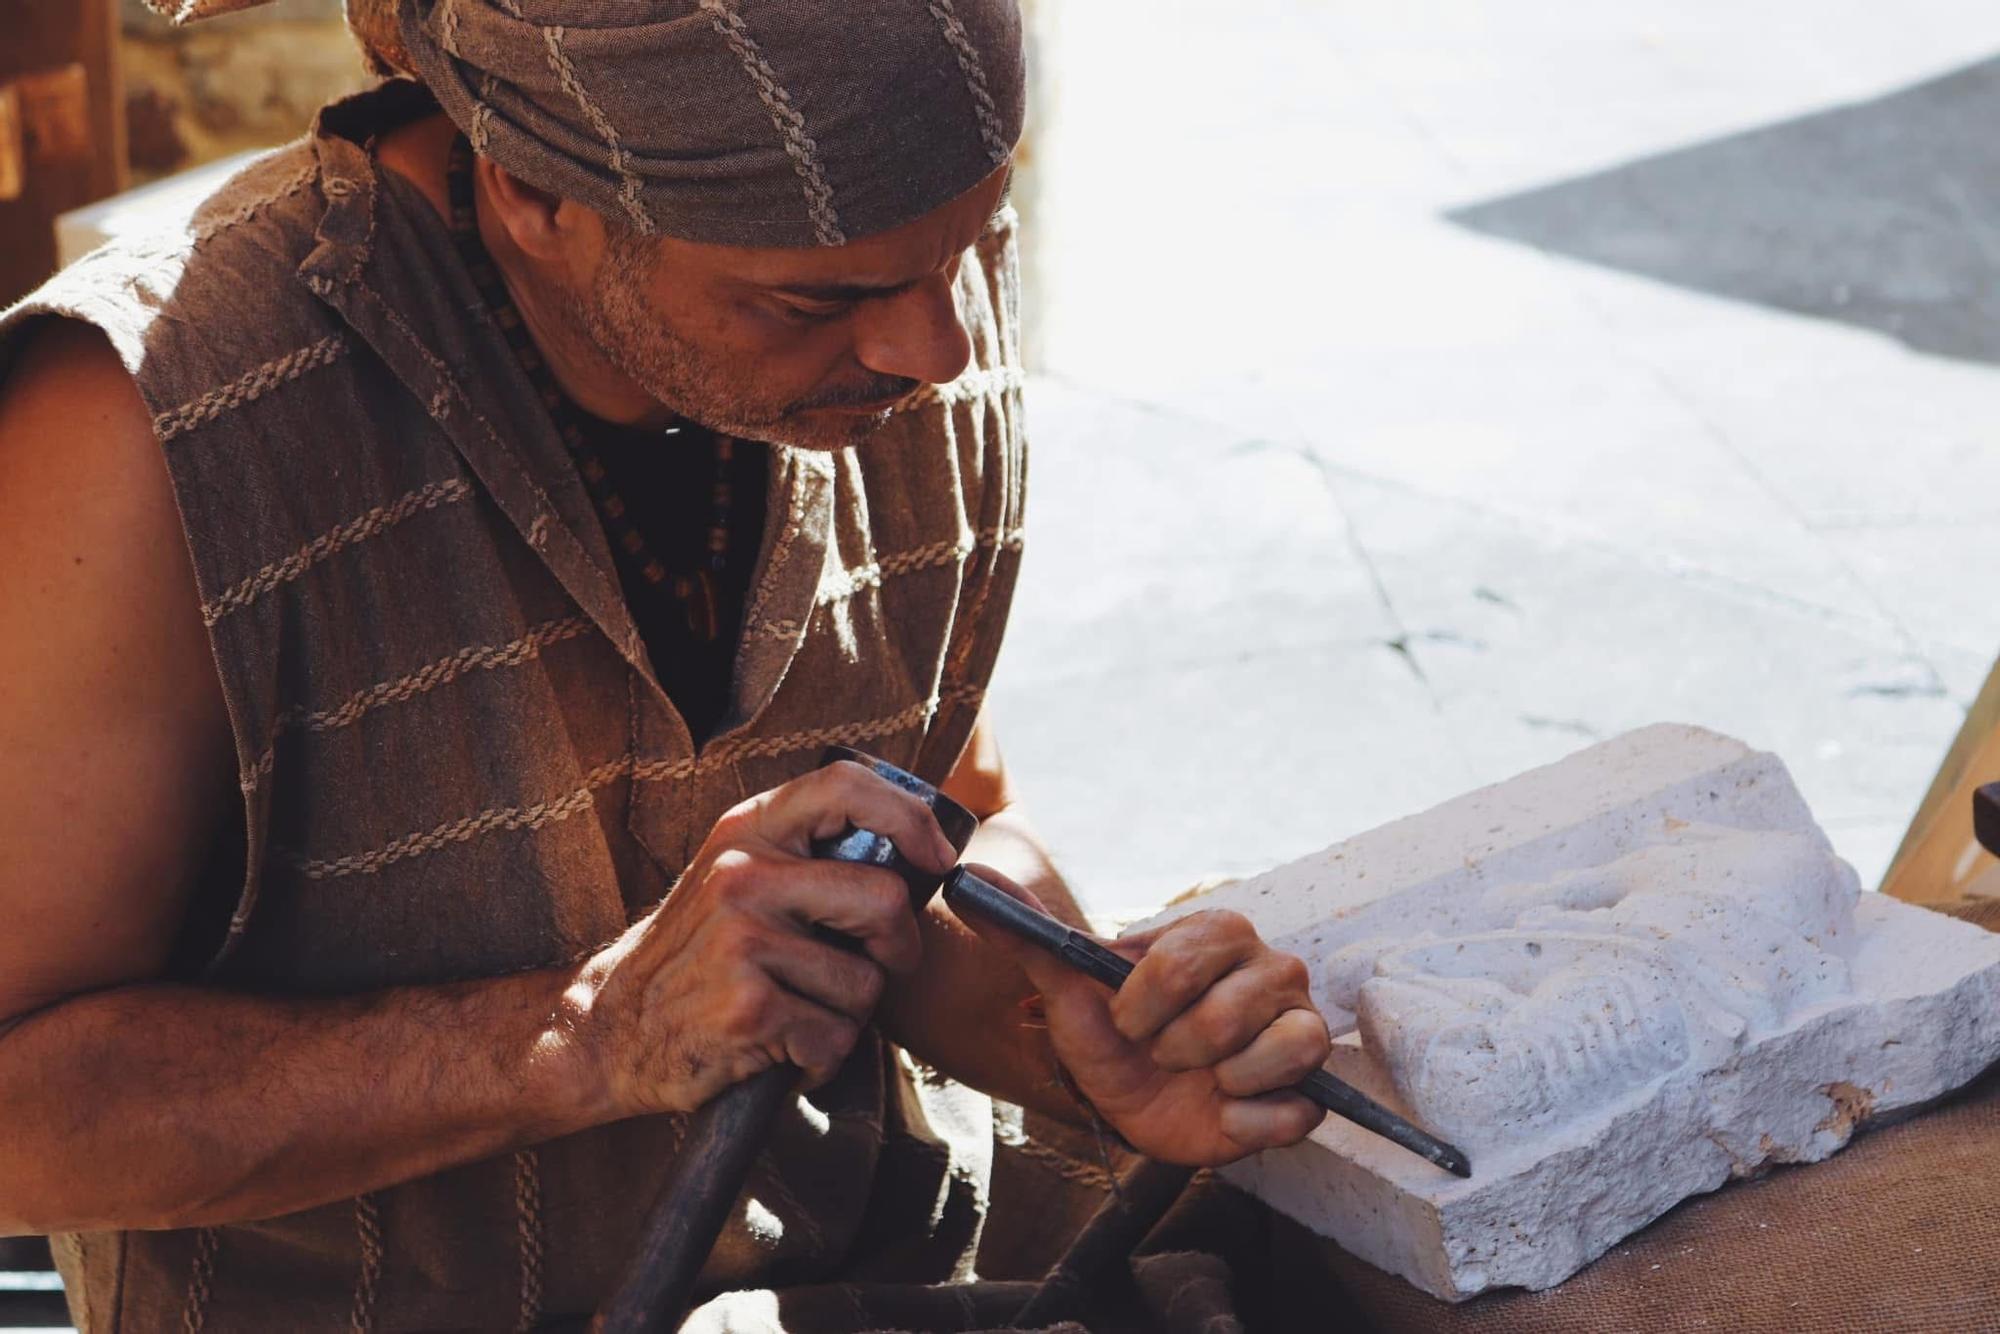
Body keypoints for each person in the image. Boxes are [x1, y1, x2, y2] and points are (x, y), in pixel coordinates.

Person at [0, 3, 1331, 1327]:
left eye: (978, 243)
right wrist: (592, 1031)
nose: (937, 353)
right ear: (534, 192)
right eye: (816, 296)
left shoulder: (907, 302)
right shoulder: (150, 432)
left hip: (883, 1263)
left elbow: (943, 810)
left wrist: (1075, 1030)